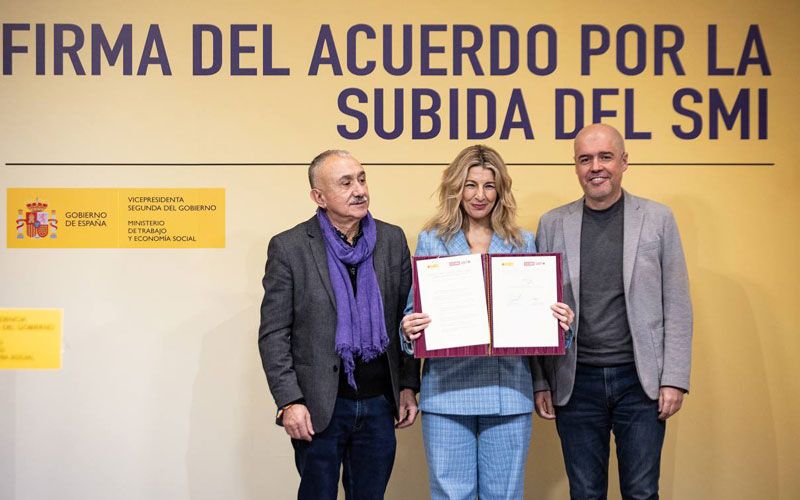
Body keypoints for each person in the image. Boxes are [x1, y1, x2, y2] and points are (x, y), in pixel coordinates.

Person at [400, 145, 575, 500]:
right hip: (446, 394)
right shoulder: (432, 241)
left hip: (508, 391)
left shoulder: (522, 242)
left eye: (489, 186)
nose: (480, 195)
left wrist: (561, 326)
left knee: (505, 495)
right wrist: (409, 329)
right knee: (450, 496)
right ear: (455, 188)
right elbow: (412, 313)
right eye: (470, 185)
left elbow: (537, 321)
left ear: (501, 191)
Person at [533, 123, 693, 500]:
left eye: (605, 157)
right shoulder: (552, 224)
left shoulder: (658, 219)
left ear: (624, 161)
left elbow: (677, 303)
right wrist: (541, 381)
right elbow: (537, 310)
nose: (595, 167)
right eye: (585, 159)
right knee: (585, 493)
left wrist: (674, 378)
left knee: (641, 492)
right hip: (575, 381)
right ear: (576, 166)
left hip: (640, 381)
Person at [258, 150, 421, 500]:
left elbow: (405, 318)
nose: (359, 190)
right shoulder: (290, 247)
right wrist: (289, 401)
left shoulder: (392, 240)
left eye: (361, 179)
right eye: (345, 183)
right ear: (319, 197)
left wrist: (408, 385)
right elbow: (274, 334)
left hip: (379, 404)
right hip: (318, 407)